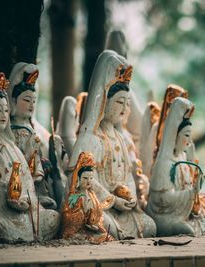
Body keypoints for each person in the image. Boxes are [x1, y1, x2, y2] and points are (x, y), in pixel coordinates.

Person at [68, 50, 156, 239]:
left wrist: (130, 195)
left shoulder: (120, 138)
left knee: (150, 226)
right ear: (103, 102)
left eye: (127, 103)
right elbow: (82, 182)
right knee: (102, 222)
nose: (124, 109)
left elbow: (128, 176)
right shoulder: (90, 138)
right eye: (119, 102)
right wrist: (113, 200)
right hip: (101, 205)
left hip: (122, 208)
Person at [0, 70, 59, 243]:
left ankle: (24, 234)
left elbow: (27, 181)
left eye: (6, 110)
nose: (4, 114)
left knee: (53, 218)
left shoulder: (11, 147)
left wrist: (25, 199)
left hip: (22, 211)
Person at [146, 97, 205, 236]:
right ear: (174, 136)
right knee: (188, 231)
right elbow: (162, 199)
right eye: (186, 135)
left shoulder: (182, 158)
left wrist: (195, 185)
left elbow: (188, 186)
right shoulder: (164, 163)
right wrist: (190, 193)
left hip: (181, 214)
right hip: (164, 216)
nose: (189, 141)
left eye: (190, 136)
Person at [8, 63, 56, 209]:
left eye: (34, 101)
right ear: (14, 101)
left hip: (34, 178)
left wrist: (41, 164)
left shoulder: (30, 130)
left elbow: (35, 158)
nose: (31, 105)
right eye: (27, 100)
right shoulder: (11, 130)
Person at [62, 152, 114, 244]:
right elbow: (70, 218)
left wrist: (96, 225)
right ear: (78, 178)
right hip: (75, 231)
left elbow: (98, 215)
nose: (88, 181)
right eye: (85, 178)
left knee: (107, 237)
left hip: (89, 231)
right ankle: (75, 237)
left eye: (91, 178)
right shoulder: (75, 197)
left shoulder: (92, 195)